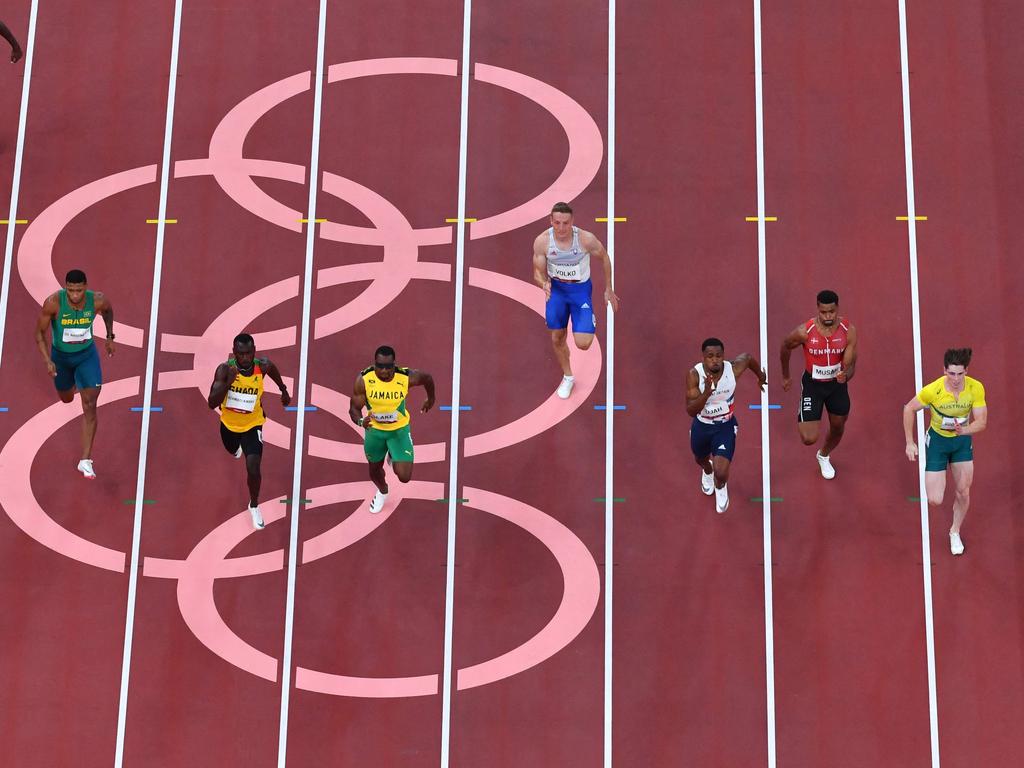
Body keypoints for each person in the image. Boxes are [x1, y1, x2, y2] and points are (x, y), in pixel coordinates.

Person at [902, 348, 987, 555]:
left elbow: (982, 422)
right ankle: (938, 474)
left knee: (964, 491)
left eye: (960, 373)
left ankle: (954, 531)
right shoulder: (933, 390)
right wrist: (910, 442)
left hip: (961, 442)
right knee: (935, 499)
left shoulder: (976, 389)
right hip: (938, 442)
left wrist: (963, 430)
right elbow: (909, 409)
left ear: (966, 370)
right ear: (944, 371)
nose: (956, 378)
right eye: (951, 373)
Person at [532, 201, 619, 399]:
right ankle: (568, 377)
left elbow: (604, 258)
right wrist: (543, 283)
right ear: (551, 221)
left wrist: (608, 289)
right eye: (557, 223)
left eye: (565, 223)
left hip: (580, 292)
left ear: (573, 221)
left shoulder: (586, 240)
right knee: (557, 338)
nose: (561, 228)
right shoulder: (543, 242)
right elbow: (537, 271)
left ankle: (585, 321)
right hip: (557, 292)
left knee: (583, 343)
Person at [34, 269, 114, 479]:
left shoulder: (97, 300)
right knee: (67, 398)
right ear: (65, 288)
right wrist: (47, 360)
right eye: (71, 290)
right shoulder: (53, 303)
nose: (75, 295)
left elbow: (108, 311)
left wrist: (109, 336)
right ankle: (76, 383)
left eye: (79, 290)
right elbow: (39, 333)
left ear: (85, 287)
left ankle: (85, 460)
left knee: (90, 404)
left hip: (86, 355)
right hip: (61, 358)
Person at [207, 333, 291, 530]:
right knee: (233, 450)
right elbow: (212, 403)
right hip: (229, 425)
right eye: (241, 354)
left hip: (253, 424)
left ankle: (254, 504)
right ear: (234, 352)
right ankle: (237, 449)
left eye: (248, 353)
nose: (244, 358)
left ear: (254, 351)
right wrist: (229, 382)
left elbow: (273, 370)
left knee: (253, 466)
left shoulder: (261, 366)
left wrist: (283, 390)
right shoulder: (225, 370)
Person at [779, 289, 858, 479]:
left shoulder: (848, 331)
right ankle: (806, 410)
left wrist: (846, 375)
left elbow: (852, 363)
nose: (828, 316)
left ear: (837, 308)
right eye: (824, 312)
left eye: (831, 311)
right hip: (813, 385)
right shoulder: (804, 332)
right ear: (817, 309)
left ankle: (823, 455)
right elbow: (785, 347)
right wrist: (785, 375)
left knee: (838, 426)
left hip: (836, 386)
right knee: (808, 438)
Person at [348, 346, 435, 514]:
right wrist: (360, 421)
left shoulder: (405, 377)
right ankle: (382, 492)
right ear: (375, 364)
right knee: (374, 470)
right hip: (375, 432)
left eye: (389, 367)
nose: (384, 370)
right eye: (380, 366)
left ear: (395, 365)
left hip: (399, 431)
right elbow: (353, 409)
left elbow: (427, 378)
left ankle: (393, 454)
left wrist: (431, 398)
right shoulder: (364, 379)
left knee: (404, 476)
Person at [686, 338, 766, 513]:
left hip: (725, 427)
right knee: (700, 459)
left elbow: (747, 358)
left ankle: (720, 486)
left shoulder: (733, 369)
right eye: (710, 356)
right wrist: (706, 393)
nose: (715, 360)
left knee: (721, 472)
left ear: (724, 356)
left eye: (718, 356)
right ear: (703, 358)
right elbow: (691, 411)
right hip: (702, 425)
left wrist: (761, 376)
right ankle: (707, 472)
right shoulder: (694, 375)